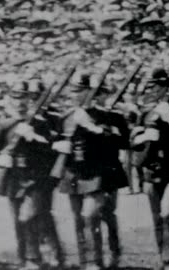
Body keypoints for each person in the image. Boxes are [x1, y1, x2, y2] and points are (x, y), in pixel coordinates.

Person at [52, 72, 129, 270]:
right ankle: (87, 262)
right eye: (73, 90)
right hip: (74, 172)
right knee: (79, 218)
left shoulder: (107, 116)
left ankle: (106, 255)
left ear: (90, 92)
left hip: (98, 171)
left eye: (80, 91)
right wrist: (59, 146)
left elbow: (121, 142)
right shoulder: (65, 116)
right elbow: (56, 140)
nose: (75, 95)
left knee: (94, 214)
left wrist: (93, 127)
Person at [0, 80, 58, 270]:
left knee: (27, 217)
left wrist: (34, 137)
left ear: (30, 99)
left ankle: (33, 258)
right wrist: (0, 159)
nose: (20, 102)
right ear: (10, 99)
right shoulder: (4, 124)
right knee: (17, 221)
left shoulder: (39, 123)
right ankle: (24, 258)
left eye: (24, 97)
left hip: (35, 177)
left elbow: (52, 151)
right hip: (13, 177)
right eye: (16, 97)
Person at [131, 68, 169, 270]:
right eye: (150, 87)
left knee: (167, 213)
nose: (152, 90)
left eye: (156, 87)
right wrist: (145, 136)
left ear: (165, 88)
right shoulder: (145, 111)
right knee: (157, 217)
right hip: (150, 169)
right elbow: (133, 140)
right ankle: (164, 259)